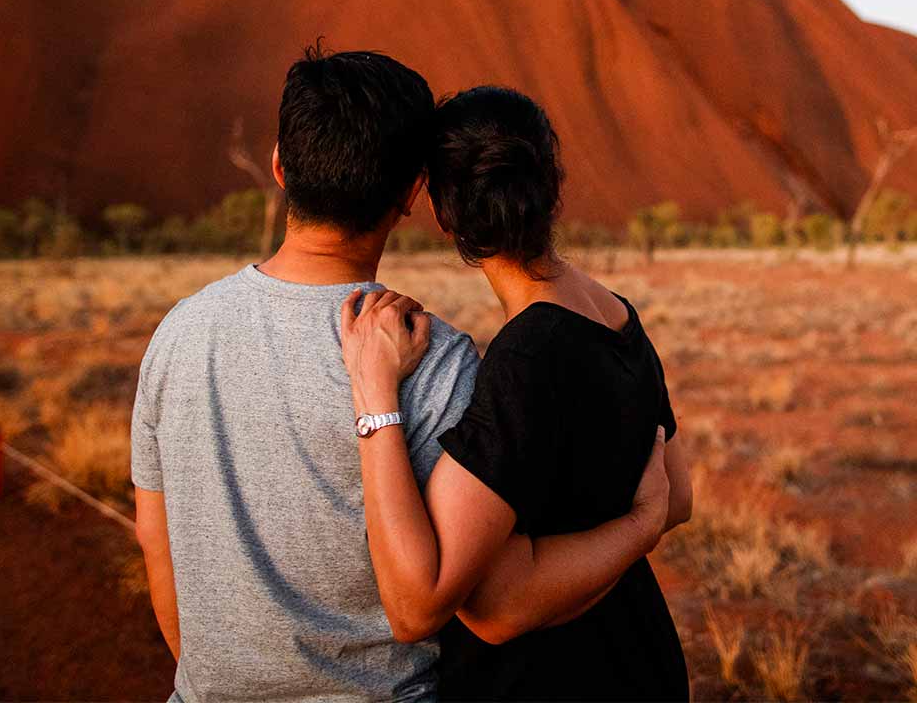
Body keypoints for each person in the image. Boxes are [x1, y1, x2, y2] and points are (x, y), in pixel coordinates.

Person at [132, 49, 670, 703]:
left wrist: (210, 684)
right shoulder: (434, 359)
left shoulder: (175, 335)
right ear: (412, 194)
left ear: (278, 164)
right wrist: (644, 523)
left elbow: (154, 535)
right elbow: (481, 600)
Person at [340, 84, 692, 701]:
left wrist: (375, 392)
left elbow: (477, 609)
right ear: (552, 184)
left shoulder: (527, 357)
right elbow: (678, 494)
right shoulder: (618, 318)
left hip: (552, 681)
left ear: (446, 217)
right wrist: (639, 524)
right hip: (643, 658)